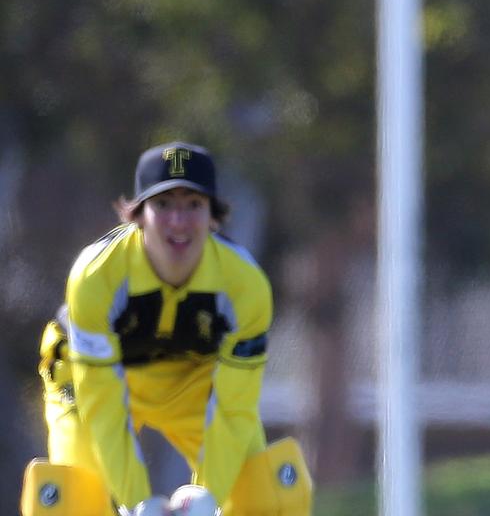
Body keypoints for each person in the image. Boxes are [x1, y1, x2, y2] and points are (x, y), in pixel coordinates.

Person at [21, 142, 311, 516]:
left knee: (271, 495)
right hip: (86, 381)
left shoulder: (245, 286)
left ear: (213, 216)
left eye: (193, 205)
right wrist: (136, 499)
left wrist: (208, 494)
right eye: (163, 205)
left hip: (192, 383)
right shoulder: (96, 276)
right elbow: (102, 402)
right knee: (70, 501)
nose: (178, 222)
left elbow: (235, 407)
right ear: (138, 214)